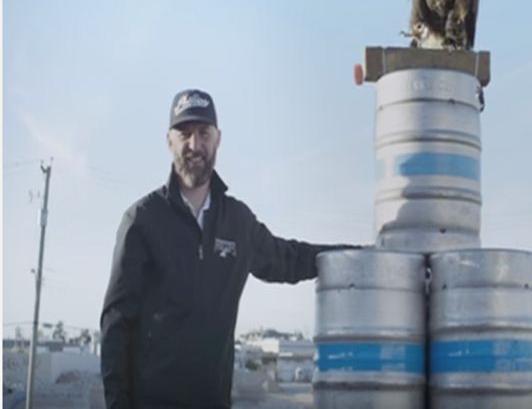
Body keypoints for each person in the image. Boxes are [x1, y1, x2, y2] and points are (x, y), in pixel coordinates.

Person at [100, 88, 356, 408]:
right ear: (169, 141)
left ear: (218, 139)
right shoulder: (142, 220)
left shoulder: (237, 221)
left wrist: (355, 256)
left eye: (204, 134)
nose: (195, 145)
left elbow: (288, 258)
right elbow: (116, 322)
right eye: (185, 134)